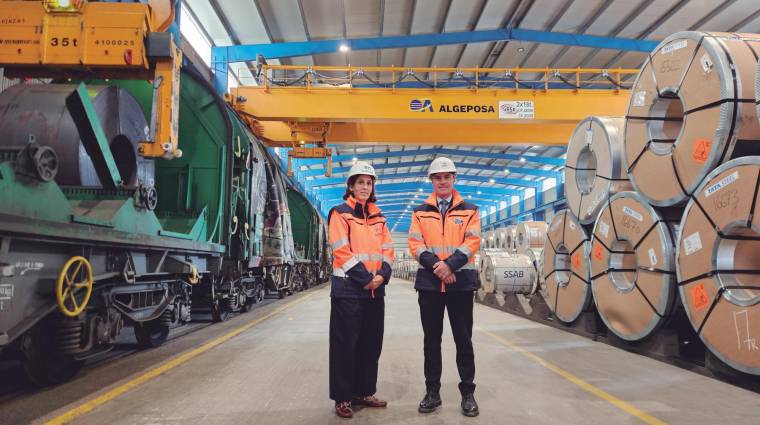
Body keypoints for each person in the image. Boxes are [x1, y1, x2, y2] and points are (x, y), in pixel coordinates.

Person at [408, 157, 481, 417]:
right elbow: (415, 244)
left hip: (460, 285)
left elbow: (472, 241)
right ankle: (432, 392)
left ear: (454, 179)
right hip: (430, 285)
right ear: (432, 181)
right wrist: (438, 267)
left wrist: (449, 266)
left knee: (464, 340)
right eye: (437, 177)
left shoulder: (469, 210)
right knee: (431, 341)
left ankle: (468, 394)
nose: (442, 181)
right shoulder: (420, 211)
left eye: (447, 177)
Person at [328, 161, 395, 419]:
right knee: (345, 345)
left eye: (369, 183)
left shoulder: (380, 217)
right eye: (360, 183)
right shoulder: (340, 213)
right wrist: (366, 278)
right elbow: (341, 250)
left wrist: (382, 276)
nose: (365, 187)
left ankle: (364, 391)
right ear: (351, 186)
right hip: (348, 290)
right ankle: (343, 397)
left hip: (375, 291)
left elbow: (388, 250)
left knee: (370, 344)